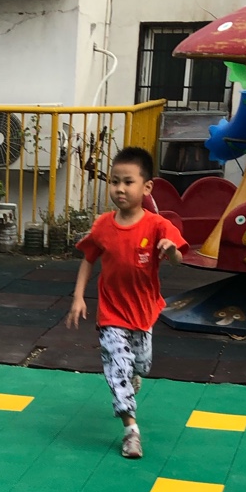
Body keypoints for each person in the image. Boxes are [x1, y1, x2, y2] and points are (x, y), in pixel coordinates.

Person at [65, 147, 186, 459]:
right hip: (111, 314)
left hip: (144, 312)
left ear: (147, 187)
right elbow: (88, 259)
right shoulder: (103, 225)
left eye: (128, 182)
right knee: (117, 366)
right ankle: (131, 430)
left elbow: (178, 260)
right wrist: (78, 297)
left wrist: (171, 250)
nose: (120, 188)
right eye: (114, 181)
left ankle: (134, 374)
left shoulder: (157, 225)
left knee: (140, 364)